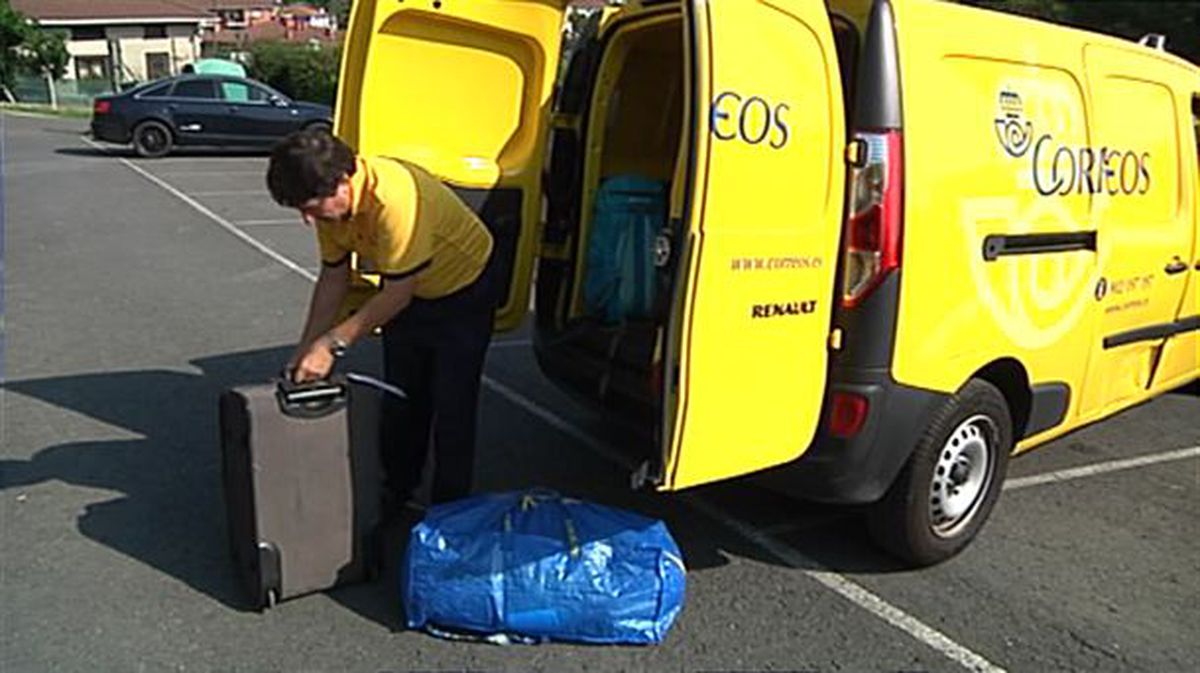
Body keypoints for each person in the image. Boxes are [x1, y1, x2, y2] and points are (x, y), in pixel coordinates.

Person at [265, 128, 499, 509]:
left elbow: (396, 295)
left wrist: (332, 345)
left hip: (465, 290)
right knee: (403, 398)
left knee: (452, 405)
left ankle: (449, 517)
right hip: (410, 291)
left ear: (342, 182)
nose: (307, 221)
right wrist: (306, 346)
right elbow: (334, 277)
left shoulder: (395, 200)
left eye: (309, 207)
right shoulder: (332, 209)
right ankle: (397, 495)